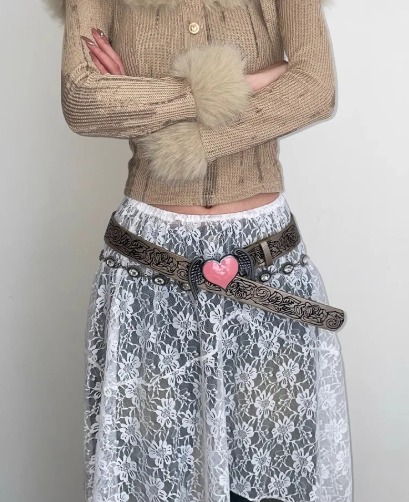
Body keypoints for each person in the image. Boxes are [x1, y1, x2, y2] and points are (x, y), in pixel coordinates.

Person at [44, 0, 353, 501]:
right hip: (149, 272)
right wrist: (237, 86)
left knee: (271, 471)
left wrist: (166, 121)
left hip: (264, 266)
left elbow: (315, 89)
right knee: (156, 474)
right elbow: (82, 100)